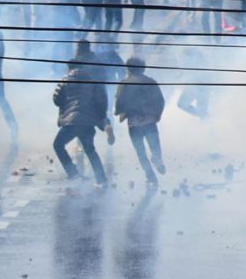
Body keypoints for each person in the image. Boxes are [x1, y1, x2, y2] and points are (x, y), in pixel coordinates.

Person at [53, 61, 115, 184]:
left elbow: (56, 100)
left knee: (58, 145)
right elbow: (101, 103)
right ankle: (101, 179)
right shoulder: (94, 82)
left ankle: (73, 173)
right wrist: (102, 120)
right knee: (90, 150)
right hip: (88, 121)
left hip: (71, 120)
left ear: (69, 68)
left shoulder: (64, 81)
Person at [115, 57, 166, 186]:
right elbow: (160, 100)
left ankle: (150, 176)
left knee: (140, 151)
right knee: (155, 146)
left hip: (134, 122)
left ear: (129, 69)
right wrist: (157, 114)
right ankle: (157, 159)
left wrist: (120, 112)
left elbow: (119, 102)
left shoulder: (124, 83)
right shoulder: (151, 82)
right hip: (150, 120)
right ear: (143, 68)